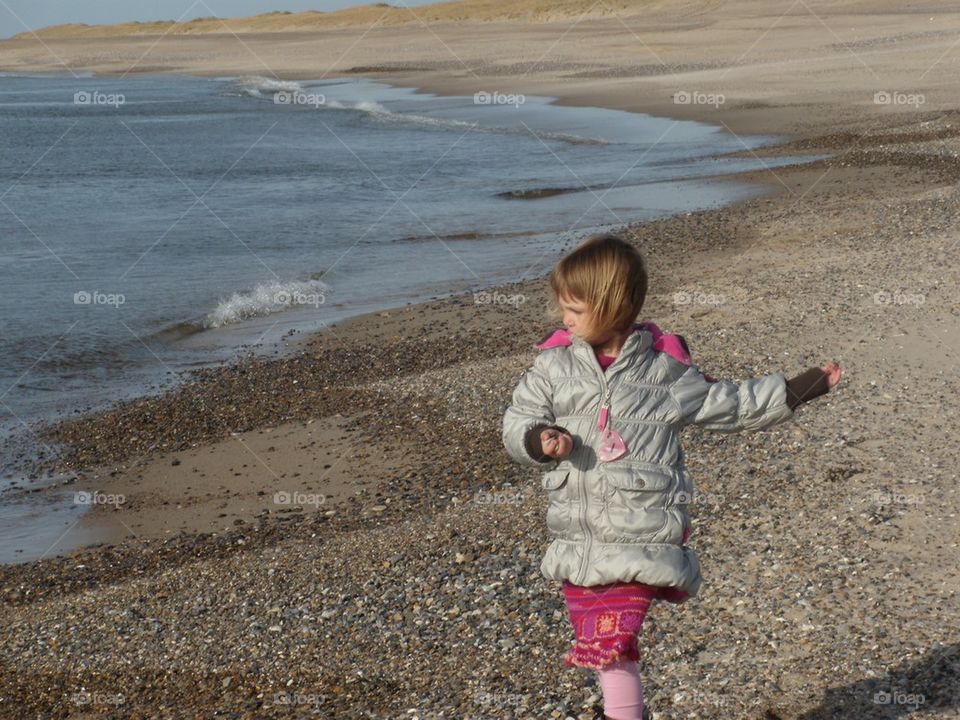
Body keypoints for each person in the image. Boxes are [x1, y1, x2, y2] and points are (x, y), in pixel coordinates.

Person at [501, 234, 842, 720]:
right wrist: (539, 439)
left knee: (613, 643)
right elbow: (518, 419)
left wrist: (799, 389)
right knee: (603, 646)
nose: (564, 318)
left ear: (612, 305)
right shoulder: (553, 366)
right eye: (563, 308)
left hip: (640, 536)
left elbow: (730, 404)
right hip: (578, 540)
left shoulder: (663, 372)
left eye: (574, 309)